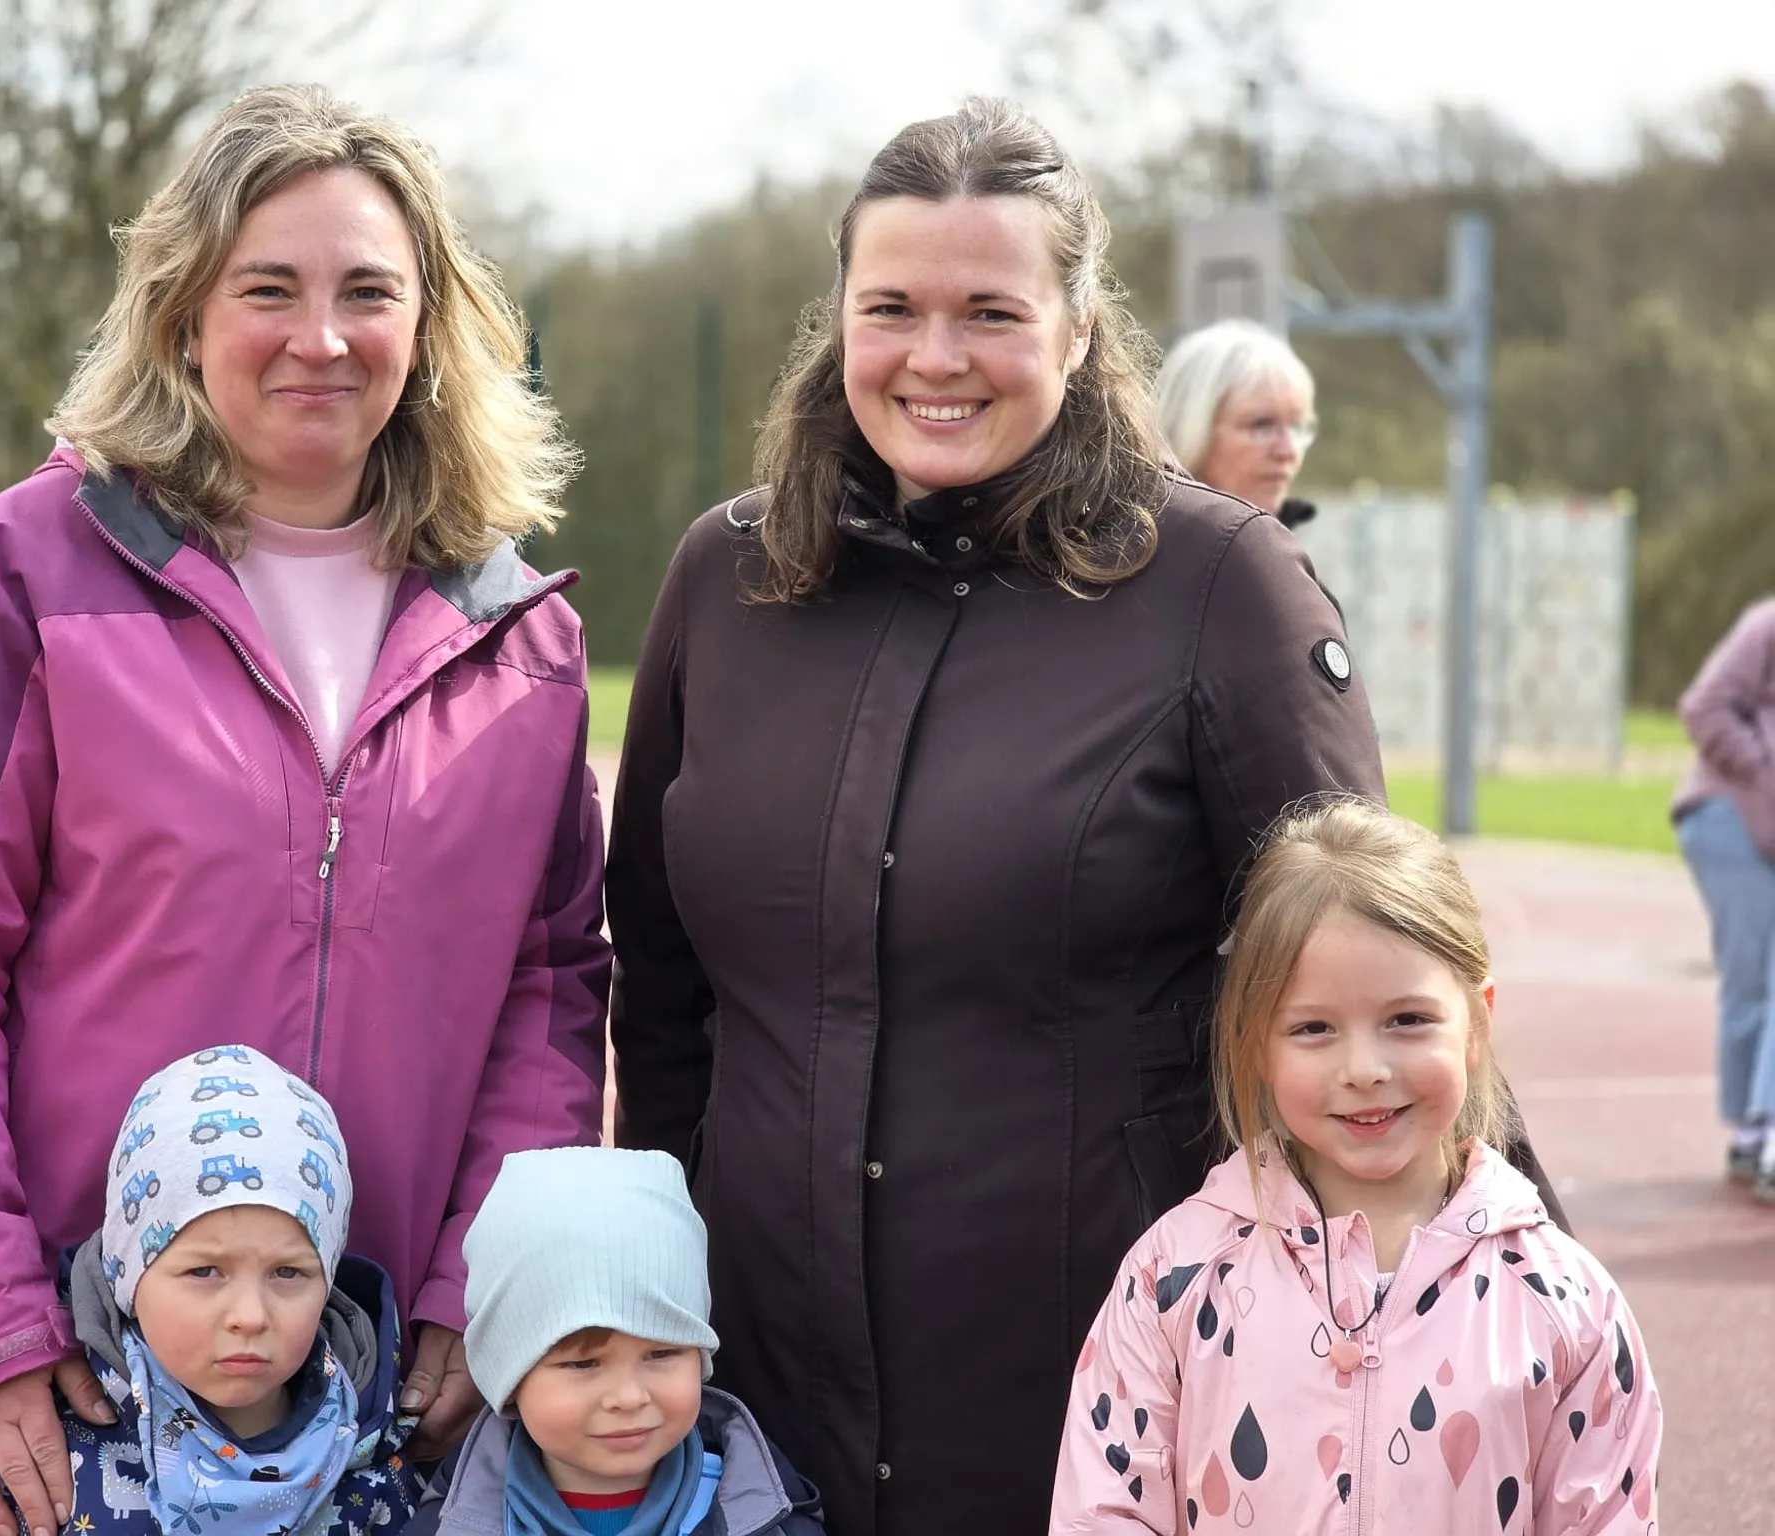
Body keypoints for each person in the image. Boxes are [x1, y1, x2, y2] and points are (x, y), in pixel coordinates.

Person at [607, 98, 1563, 1536]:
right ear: (840, 323)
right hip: (765, 1412)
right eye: (895, 309)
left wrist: (1526, 1310)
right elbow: (665, 993)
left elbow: (1381, 977)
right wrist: (638, 1297)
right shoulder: (726, 583)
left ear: (1073, 328)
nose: (937, 357)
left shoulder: (1221, 589)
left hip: (1118, 1408)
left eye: (991, 310)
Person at [0, 84, 609, 1536]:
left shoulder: (519, 637)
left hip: (371, 1384)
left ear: (427, 328)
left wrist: (472, 1292)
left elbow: (546, 999)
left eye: (369, 291)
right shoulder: (17, 581)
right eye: (269, 289)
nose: (322, 336)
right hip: (64, 1378)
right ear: (183, 314)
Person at [1050, 800, 1661, 1534]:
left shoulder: (1567, 1304)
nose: (1365, 1069)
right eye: (1313, 1029)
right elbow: (1104, 1513)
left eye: (1407, 1020)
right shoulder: (1172, 1280)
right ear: (1255, 1048)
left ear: (1478, 1023)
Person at [48, 1046, 423, 1534]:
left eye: (288, 1273)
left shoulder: (374, 1477)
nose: (249, 1315)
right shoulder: (55, 1466)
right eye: (205, 1272)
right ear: (127, 1278)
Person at [415, 1146, 822, 1535]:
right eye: (583, 1363)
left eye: (662, 1353)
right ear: (507, 1376)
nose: (628, 1397)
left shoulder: (769, 1516)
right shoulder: (448, 1522)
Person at [1673, 597, 1775, 1200]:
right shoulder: (1769, 624)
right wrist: (1762, 773)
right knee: (1756, 977)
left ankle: (1749, 1132)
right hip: (1732, 819)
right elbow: (1703, 707)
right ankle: (1764, 1133)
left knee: (1755, 981)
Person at [1153, 318, 1318, 524]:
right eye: (1261, 424)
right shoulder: (1132, 547)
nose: (1288, 452)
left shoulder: (1283, 544)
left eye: (1297, 426)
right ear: (1189, 427)